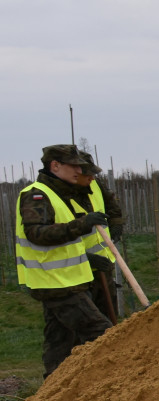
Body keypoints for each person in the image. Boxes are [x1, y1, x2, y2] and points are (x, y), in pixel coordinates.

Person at [15, 144, 113, 377]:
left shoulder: (59, 194)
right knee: (102, 333)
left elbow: (64, 241)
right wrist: (83, 223)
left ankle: (53, 395)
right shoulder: (36, 194)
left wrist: (88, 259)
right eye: (74, 166)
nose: (79, 171)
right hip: (56, 282)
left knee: (59, 341)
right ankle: (112, 384)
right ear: (55, 165)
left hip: (65, 280)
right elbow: (37, 234)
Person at [76, 152, 124, 320]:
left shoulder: (96, 185)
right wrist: (83, 257)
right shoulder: (61, 194)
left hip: (103, 261)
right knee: (87, 319)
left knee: (108, 313)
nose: (92, 178)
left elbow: (111, 203)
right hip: (76, 267)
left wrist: (117, 223)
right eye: (88, 174)